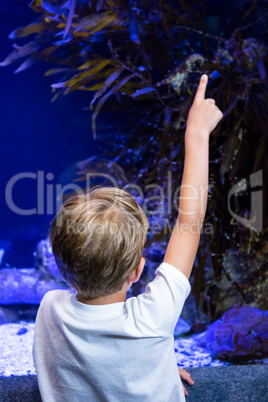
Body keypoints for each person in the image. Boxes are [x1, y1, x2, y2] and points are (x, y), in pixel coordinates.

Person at [33, 74, 223, 401]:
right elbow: (191, 219)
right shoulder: (153, 319)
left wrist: (154, 362)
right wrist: (197, 132)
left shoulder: (50, 309)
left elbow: (99, 362)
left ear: (61, 268)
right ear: (137, 272)